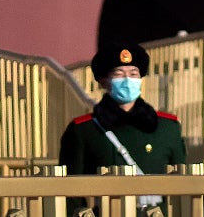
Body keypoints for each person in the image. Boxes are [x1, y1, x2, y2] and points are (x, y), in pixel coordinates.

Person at [59, 43, 186, 213]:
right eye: (118, 74)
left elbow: (182, 183)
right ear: (104, 81)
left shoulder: (167, 127)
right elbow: (71, 192)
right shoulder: (84, 130)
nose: (127, 80)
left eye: (133, 74)